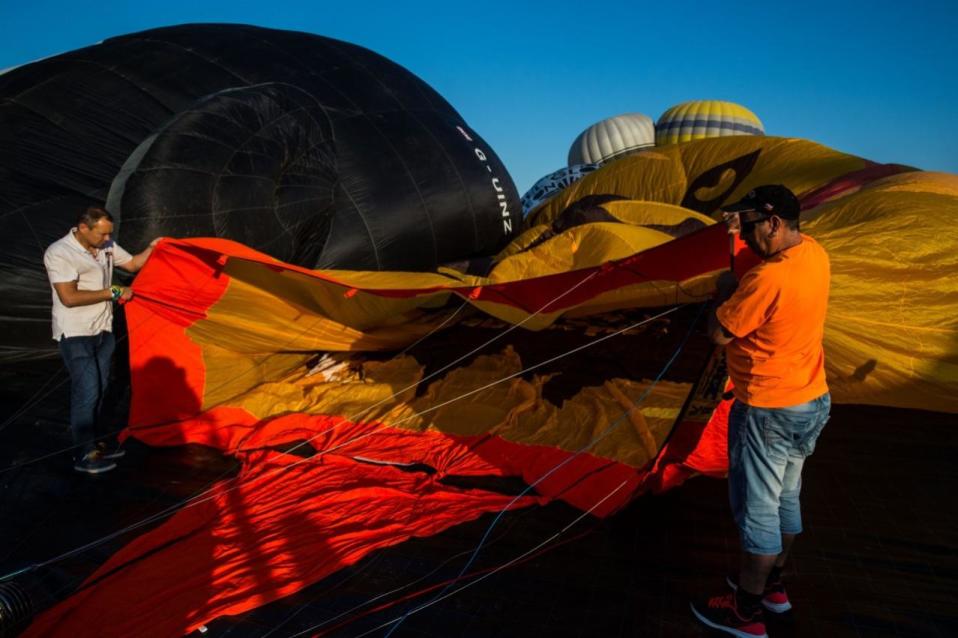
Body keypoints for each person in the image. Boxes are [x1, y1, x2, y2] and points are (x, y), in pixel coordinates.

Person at [690, 185, 831, 637]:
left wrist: (722, 291)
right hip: (810, 400)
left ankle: (745, 614)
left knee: (758, 512)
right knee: (787, 499)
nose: (747, 237)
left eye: (750, 227)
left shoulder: (766, 280)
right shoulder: (813, 252)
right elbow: (760, 263)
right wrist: (735, 238)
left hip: (768, 409)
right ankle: (773, 588)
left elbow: (720, 333)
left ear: (772, 222)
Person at [44, 205, 162, 474]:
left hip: (102, 330)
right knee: (88, 391)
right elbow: (69, 298)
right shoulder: (60, 252)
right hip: (76, 333)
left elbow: (132, 263)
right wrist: (114, 291)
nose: (107, 238)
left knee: (101, 388)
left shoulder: (106, 244)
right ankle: (84, 454)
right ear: (84, 228)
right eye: (102, 234)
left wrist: (154, 247)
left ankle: (96, 442)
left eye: (109, 234)